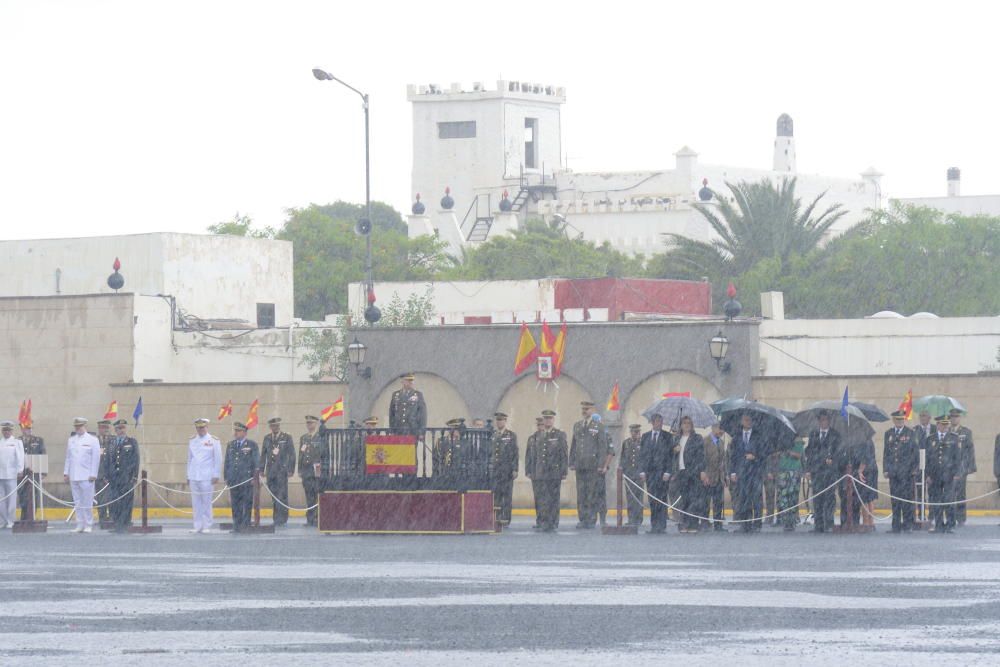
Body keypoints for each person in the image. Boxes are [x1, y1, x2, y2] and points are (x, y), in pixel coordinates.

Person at [569, 401, 613, 529]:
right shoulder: (577, 425)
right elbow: (574, 445)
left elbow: (602, 446)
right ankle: (582, 518)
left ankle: (591, 518)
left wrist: (601, 465)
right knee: (581, 493)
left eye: (587, 409)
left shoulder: (598, 426)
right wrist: (572, 461)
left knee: (592, 493)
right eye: (583, 408)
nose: (584, 411)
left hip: (593, 465)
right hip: (580, 465)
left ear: (592, 410)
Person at [525, 410, 567, 532]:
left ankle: (553, 521)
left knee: (554, 498)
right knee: (543, 498)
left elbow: (563, 454)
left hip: (554, 472)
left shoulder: (559, 435)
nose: (548, 421)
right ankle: (544, 521)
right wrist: (532, 470)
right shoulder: (538, 436)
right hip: (541, 472)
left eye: (550, 418)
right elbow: (534, 456)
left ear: (553, 420)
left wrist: (564, 471)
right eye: (546, 418)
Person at [805, 411, 841, 533]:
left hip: (829, 472)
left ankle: (829, 523)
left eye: (825, 420)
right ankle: (818, 524)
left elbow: (839, 452)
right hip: (817, 472)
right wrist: (808, 470)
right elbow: (809, 453)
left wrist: (833, 460)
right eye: (821, 420)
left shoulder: (835, 435)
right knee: (817, 498)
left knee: (829, 498)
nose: (823, 422)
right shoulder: (814, 434)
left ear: (829, 421)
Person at [730, 413, 767, 532]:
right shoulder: (736, 437)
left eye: (749, 419)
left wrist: (754, 457)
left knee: (756, 499)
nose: (747, 421)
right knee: (743, 498)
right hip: (742, 472)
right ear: (741, 421)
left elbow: (764, 454)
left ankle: (757, 524)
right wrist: (733, 472)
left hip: (755, 472)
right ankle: (745, 524)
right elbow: (733, 456)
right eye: (745, 419)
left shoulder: (758, 436)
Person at [883, 410, 918, 533]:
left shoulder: (910, 433)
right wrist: (886, 469)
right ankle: (896, 525)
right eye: (897, 420)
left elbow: (915, 452)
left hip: (907, 472)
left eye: (902, 420)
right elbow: (886, 453)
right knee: (895, 500)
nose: (900, 422)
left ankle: (908, 524)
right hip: (894, 473)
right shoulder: (889, 434)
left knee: (907, 499)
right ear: (894, 420)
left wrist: (915, 469)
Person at [63, 417, 101, 533]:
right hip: (74, 475)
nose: (78, 428)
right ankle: (80, 523)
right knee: (77, 501)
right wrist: (66, 472)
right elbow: (68, 457)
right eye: (76, 427)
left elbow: (96, 458)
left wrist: (93, 473)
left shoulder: (92, 440)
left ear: (85, 426)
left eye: (80, 426)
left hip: (87, 476)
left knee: (87, 501)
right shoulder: (72, 440)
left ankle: (89, 524)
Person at [926, 415, 961, 533]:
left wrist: (957, 472)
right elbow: (928, 458)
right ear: (938, 425)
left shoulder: (954, 438)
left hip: (949, 474)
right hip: (935, 475)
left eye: (946, 424)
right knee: (936, 500)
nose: (945, 427)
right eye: (943, 424)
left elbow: (957, 457)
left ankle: (950, 524)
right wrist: (928, 475)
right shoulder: (930, 439)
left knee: (948, 500)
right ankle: (939, 524)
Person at [671, 415, 706, 534]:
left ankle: (693, 524)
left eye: (688, 423)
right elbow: (671, 457)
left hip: (693, 472)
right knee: (683, 500)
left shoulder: (697, 438)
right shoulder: (676, 439)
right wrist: (674, 451)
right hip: (681, 472)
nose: (686, 425)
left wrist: (702, 471)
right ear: (681, 425)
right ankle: (684, 523)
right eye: (684, 423)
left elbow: (701, 456)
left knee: (694, 500)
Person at [187, 418, 222, 534]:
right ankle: (197, 525)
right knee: (196, 502)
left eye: (202, 427)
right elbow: (189, 459)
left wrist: (216, 474)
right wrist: (188, 475)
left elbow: (218, 459)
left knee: (206, 502)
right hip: (194, 475)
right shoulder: (192, 440)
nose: (200, 430)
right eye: (198, 428)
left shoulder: (214, 440)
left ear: (207, 427)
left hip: (207, 475)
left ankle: (207, 524)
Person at [639, 414, 672, 534]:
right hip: (650, 474)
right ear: (652, 422)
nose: (660, 423)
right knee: (652, 500)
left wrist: (668, 471)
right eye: (657, 421)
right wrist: (642, 470)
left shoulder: (667, 436)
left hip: (663, 473)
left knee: (662, 499)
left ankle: (661, 525)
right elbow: (642, 455)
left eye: (661, 421)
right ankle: (654, 525)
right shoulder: (645, 436)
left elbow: (670, 456)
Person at [259, 417, 295, 527]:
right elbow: (263, 455)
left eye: (277, 425)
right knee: (274, 496)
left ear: (279, 426)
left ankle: (283, 519)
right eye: (273, 426)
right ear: (270, 427)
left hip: (282, 471)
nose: (275, 427)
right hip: (271, 472)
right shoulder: (267, 438)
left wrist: (291, 469)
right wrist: (262, 469)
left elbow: (292, 454)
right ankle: (276, 518)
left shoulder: (286, 437)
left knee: (282, 495)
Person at [105, 419, 140, 533]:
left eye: (123, 428)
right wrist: (106, 475)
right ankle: (117, 523)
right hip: (114, 478)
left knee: (126, 501)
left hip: (126, 477)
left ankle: (126, 523)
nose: (121, 430)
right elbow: (107, 460)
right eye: (119, 428)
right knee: (114, 501)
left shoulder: (131, 442)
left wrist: (135, 475)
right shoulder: (111, 443)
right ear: (115, 430)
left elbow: (136, 459)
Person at [224, 422, 259, 533]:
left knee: (246, 502)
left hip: (246, 479)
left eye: (238, 431)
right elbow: (227, 462)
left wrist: (255, 477)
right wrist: (226, 476)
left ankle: (245, 524)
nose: (235, 433)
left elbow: (256, 462)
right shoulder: (231, 445)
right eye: (235, 431)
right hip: (234, 479)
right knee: (235, 503)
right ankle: (237, 524)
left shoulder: (252, 445)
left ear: (244, 432)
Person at [489, 412, 518, 526]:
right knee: (496, 495)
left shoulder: (511, 435)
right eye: (498, 420)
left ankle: (506, 518)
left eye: (501, 420)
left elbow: (515, 453)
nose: (499, 422)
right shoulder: (492, 435)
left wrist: (515, 469)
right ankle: (497, 517)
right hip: (495, 471)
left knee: (507, 495)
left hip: (506, 470)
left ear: (505, 421)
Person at [949, 409, 976, 526]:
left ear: (959, 418)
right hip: (949, 468)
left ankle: (960, 518)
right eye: (952, 417)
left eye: (956, 417)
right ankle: (950, 516)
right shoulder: (947, 431)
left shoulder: (966, 432)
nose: (954, 419)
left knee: (960, 494)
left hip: (961, 468)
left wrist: (968, 467)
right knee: (949, 494)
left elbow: (970, 451)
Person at [298, 416, 326, 527]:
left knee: (317, 495)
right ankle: (310, 519)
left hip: (317, 471)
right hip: (306, 472)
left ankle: (317, 518)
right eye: (308, 423)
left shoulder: (320, 437)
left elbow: (324, 454)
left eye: (311, 423)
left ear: (316, 424)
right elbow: (301, 455)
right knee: (309, 496)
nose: (309, 425)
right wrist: (299, 469)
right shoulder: (304, 438)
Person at [701, 422, 729, 532]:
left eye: (723, 430)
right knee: (705, 502)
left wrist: (725, 475)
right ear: (713, 428)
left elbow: (724, 461)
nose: (721, 432)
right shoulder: (705, 441)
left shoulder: (721, 442)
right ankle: (704, 523)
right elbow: (703, 459)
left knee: (718, 502)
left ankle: (718, 524)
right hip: (708, 476)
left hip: (719, 477)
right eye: (720, 429)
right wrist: (705, 474)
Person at [776, 437, 805, 532]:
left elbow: (799, 455)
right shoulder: (781, 440)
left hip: (794, 471)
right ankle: (785, 520)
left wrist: (788, 451)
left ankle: (791, 520)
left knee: (792, 497)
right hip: (782, 471)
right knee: (783, 498)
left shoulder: (798, 441)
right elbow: (775, 454)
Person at [17, 421, 45, 521]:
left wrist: (43, 472)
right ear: (22, 429)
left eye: (30, 428)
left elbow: (42, 454)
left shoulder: (38, 440)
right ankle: (24, 515)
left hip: (34, 472)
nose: (29, 430)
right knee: (22, 494)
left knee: (34, 494)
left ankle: (31, 515)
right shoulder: (17, 441)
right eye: (26, 428)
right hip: (21, 472)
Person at [618, 424, 644, 527]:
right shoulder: (626, 443)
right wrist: (621, 469)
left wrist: (643, 472)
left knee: (638, 497)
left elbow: (644, 458)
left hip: (639, 474)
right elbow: (623, 457)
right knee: (630, 497)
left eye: (637, 432)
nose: (635, 434)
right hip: (629, 474)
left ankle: (638, 519)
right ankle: (631, 518)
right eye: (633, 432)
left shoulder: (642, 442)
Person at [0, 421, 25, 529]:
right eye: (4, 430)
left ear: (11, 431)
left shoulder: (16, 442)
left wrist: (20, 470)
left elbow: (20, 457)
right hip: (0, 474)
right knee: (1, 499)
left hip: (11, 474)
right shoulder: (0, 442)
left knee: (11, 498)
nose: (6, 432)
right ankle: (3, 520)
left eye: (8, 430)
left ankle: (11, 520)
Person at [389, 373, 427, 437]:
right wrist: (392, 430)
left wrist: (421, 432)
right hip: (398, 430)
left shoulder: (418, 395)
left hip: (412, 430)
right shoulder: (395, 395)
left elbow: (423, 414)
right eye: (408, 380)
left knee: (411, 447)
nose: (411, 382)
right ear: (402, 381)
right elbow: (391, 414)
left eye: (412, 380)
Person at [524, 417, 545, 530]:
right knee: (538, 498)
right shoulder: (532, 438)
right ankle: (539, 520)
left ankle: (547, 520)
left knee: (546, 498)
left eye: (542, 425)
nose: (540, 427)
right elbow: (528, 455)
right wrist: (528, 470)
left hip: (546, 473)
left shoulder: (548, 437)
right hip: (535, 473)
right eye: (538, 425)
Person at [434, 419, 465, 486]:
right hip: (444, 474)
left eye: (457, 429)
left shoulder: (463, 442)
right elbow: (436, 456)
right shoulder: (441, 441)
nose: (455, 431)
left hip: (459, 475)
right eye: (453, 429)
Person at [94, 419, 113, 524]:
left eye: (106, 427)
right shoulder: (94, 441)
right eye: (102, 427)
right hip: (99, 474)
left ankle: (112, 517)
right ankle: (102, 518)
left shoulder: (113, 440)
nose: (105, 430)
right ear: (99, 428)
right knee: (101, 498)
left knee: (111, 497)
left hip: (111, 475)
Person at [763, 448, 781, 526]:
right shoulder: (767, 443)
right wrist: (767, 471)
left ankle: (780, 517)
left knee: (780, 497)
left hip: (780, 471)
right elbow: (764, 458)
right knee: (769, 496)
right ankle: (769, 516)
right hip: (769, 473)